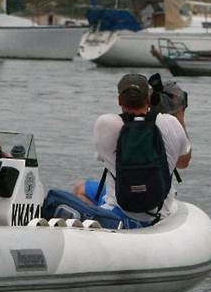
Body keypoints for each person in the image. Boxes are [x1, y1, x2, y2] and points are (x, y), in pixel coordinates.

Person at [73, 73, 192, 225]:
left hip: (120, 206)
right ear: (149, 99)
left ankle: (101, 225)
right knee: (83, 188)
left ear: (119, 100)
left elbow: (103, 157)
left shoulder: (106, 124)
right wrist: (180, 118)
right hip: (159, 210)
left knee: (80, 188)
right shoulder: (171, 123)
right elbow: (183, 162)